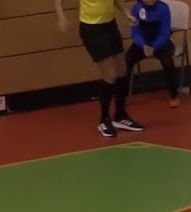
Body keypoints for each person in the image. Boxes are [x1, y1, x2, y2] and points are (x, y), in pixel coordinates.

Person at [55, 0, 145, 137]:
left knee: (122, 70)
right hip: (92, 29)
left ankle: (120, 115)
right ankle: (104, 119)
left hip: (110, 25)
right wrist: (61, 16)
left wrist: (126, 13)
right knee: (111, 74)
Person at [125, 0, 181, 108]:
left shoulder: (163, 8)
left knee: (168, 62)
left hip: (162, 42)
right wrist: (143, 45)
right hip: (142, 43)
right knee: (127, 60)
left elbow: (164, 32)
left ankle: (174, 95)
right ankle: (123, 95)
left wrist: (154, 46)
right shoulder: (136, 8)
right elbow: (135, 31)